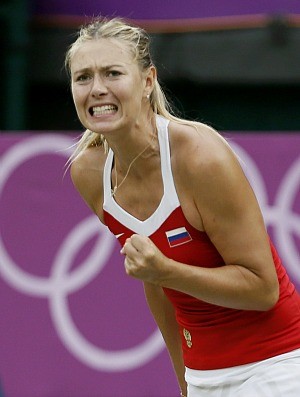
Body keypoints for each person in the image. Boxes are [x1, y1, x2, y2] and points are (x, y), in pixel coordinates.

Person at [65, 16, 300, 397]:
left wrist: (166, 270)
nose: (97, 89)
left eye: (112, 73)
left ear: (147, 81)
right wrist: (184, 384)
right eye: (83, 78)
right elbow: (155, 283)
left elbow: (262, 289)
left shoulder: (199, 157)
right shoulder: (89, 173)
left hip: (278, 366)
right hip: (203, 375)